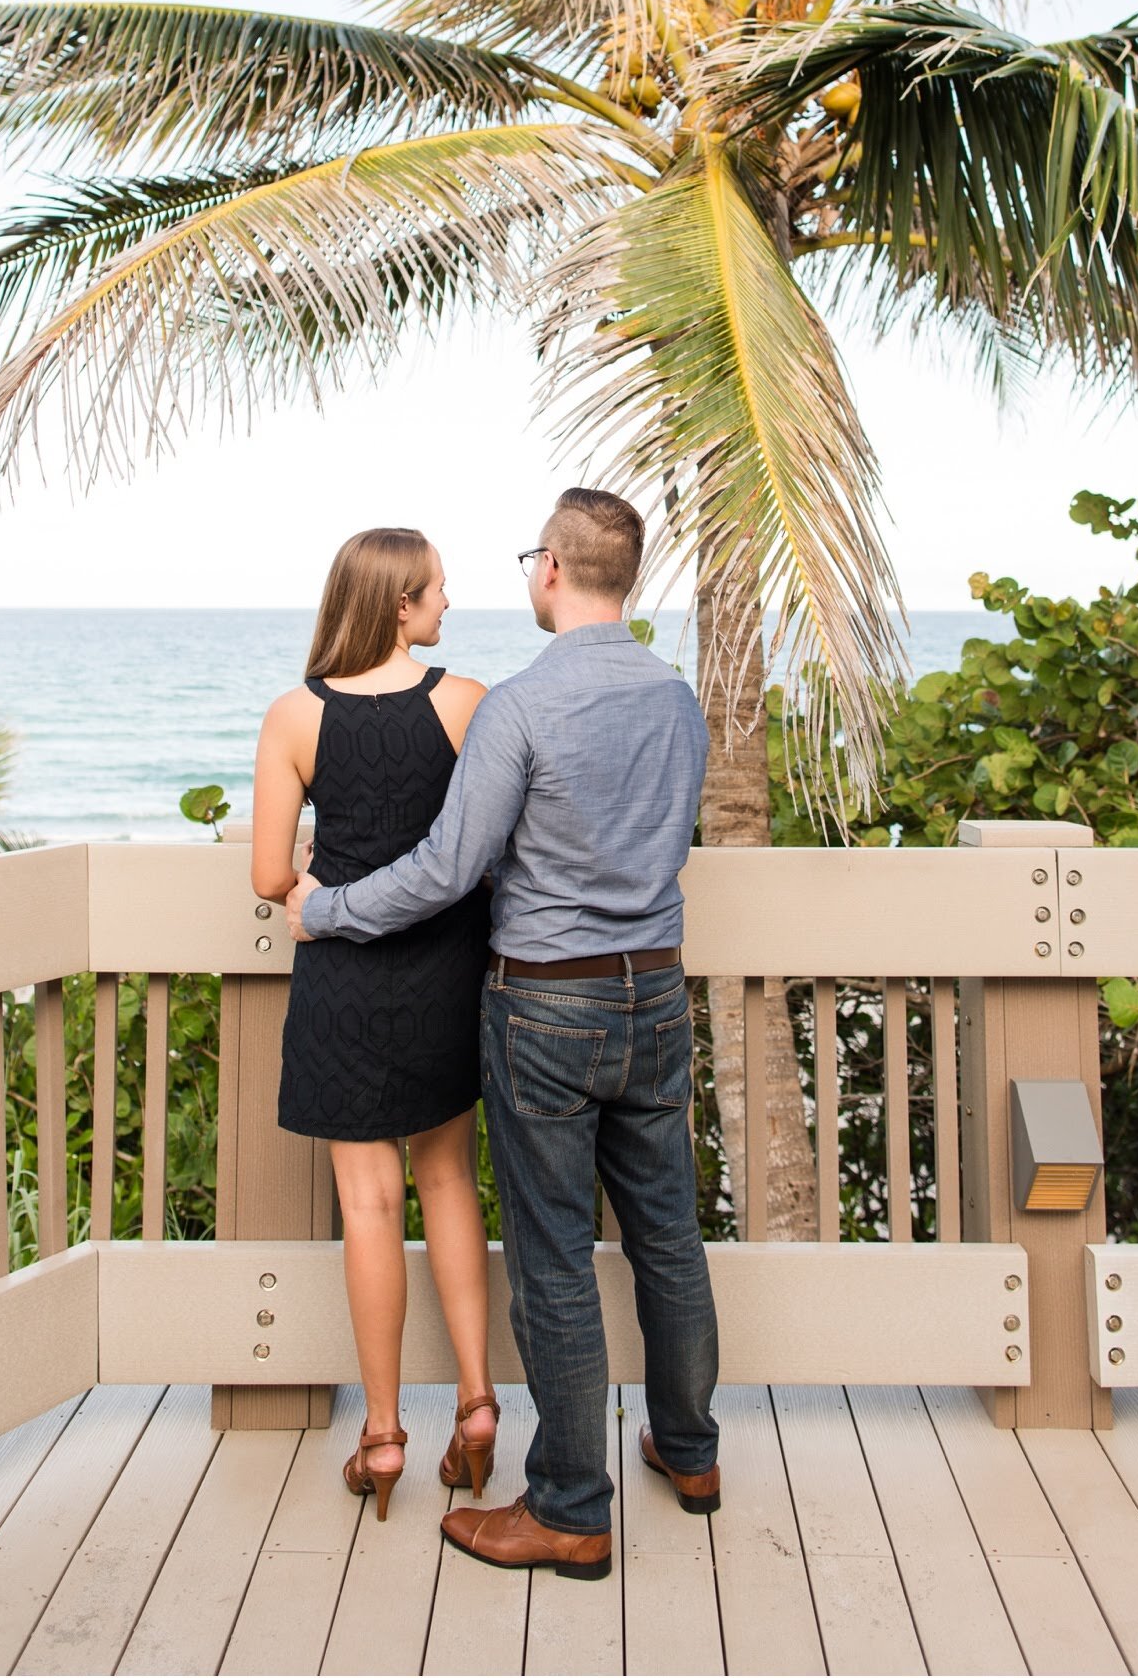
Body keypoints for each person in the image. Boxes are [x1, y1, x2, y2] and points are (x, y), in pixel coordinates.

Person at [286, 487, 719, 1581]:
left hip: (549, 1003)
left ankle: (571, 1505)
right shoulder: (677, 703)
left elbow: (444, 869)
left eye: (531, 560)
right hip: (657, 995)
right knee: (667, 1232)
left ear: (555, 572)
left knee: (555, 1257)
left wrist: (324, 908)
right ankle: (691, 1448)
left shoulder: (522, 707)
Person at [252, 527, 500, 1523]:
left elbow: (271, 878)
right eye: (437, 587)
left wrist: (323, 864)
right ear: (400, 603)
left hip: (344, 978)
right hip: (446, 971)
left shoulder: (292, 716)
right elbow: (489, 844)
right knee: (447, 1177)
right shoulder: (466, 702)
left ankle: (384, 1432)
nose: (449, 600)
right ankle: (477, 1406)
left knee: (367, 1202)